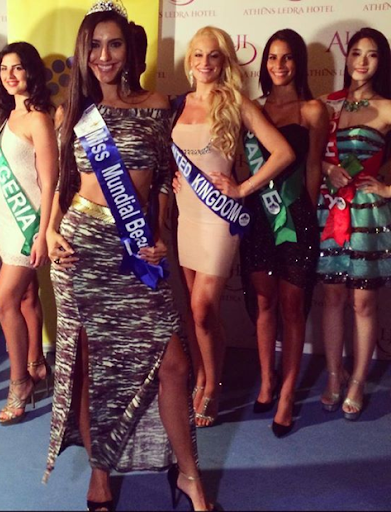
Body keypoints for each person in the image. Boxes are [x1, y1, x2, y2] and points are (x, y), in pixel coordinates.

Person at [45, 3, 215, 511]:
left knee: (174, 364)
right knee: (92, 366)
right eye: (95, 45)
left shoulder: (157, 104)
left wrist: (159, 230)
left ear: (129, 49)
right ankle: (99, 475)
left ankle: (190, 478)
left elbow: (162, 176)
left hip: (136, 251)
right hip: (83, 250)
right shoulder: (72, 113)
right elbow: (60, 182)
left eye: (114, 44)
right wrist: (49, 230)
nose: (104, 55)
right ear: (84, 52)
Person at [171, 26, 295, 428]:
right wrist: (172, 177)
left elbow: (283, 152)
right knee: (196, 314)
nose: (205, 63)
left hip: (219, 217)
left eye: (214, 55)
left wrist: (242, 188)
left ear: (224, 61)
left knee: (202, 308)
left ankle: (212, 386)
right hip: (185, 214)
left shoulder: (235, 102)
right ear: (189, 60)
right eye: (198, 55)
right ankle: (203, 374)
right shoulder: (179, 103)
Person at [239, 29, 328, 437]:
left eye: (287, 57)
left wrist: (307, 215)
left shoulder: (313, 110)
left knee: (293, 307)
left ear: (299, 63)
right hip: (259, 220)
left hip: (295, 219)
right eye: (273, 57)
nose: (279, 65)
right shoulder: (252, 109)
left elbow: (313, 166)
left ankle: (288, 395)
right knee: (264, 303)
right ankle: (267, 380)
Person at [317, 27, 391, 421]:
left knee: (363, 301)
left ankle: (359, 380)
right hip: (330, 211)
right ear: (346, 57)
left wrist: (387, 189)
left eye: (372, 54)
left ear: (382, 61)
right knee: (332, 297)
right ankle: (334, 375)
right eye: (356, 52)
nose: (362, 61)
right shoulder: (327, 105)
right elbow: (304, 154)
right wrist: (326, 167)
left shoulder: (387, 107)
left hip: (366, 214)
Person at [0, 42, 58, 425]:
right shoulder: (10, 116)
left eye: (17, 68)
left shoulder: (38, 119)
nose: (10, 75)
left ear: (31, 71)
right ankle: (36, 364)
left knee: (4, 303)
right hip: (6, 221)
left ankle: (19, 383)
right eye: (4, 69)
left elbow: (50, 182)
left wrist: (43, 231)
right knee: (27, 297)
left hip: (28, 224)